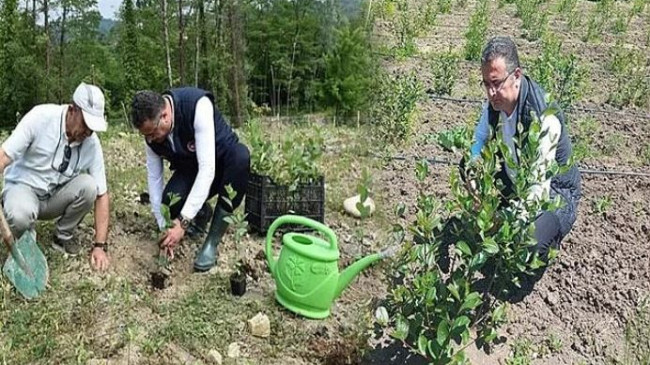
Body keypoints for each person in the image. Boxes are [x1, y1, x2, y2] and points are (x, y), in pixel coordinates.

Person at [468, 36, 581, 288]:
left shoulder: (543, 119)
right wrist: (474, 182)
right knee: (467, 171)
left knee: (527, 245)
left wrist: (500, 221)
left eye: (496, 83)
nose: (490, 92)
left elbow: (535, 195)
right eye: (485, 84)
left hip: (553, 194)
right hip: (515, 181)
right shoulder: (494, 103)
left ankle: (550, 237)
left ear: (516, 75)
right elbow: (477, 143)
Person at [130, 88, 250, 272]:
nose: (150, 139)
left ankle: (211, 242)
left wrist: (183, 222)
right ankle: (201, 215)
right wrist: (164, 225)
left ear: (164, 115)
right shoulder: (151, 138)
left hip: (222, 164)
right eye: (145, 135)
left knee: (241, 156)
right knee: (169, 202)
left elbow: (207, 170)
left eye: (152, 133)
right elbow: (154, 178)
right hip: (191, 168)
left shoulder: (197, 106)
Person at [0, 82, 111, 271]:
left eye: (93, 128)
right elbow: (4, 155)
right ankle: (25, 235)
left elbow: (102, 194)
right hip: (23, 189)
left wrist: (99, 246)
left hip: (53, 198)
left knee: (90, 186)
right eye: (86, 124)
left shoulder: (91, 143)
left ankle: (62, 238)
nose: (88, 132)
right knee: (19, 214)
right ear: (72, 109)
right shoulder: (41, 118)